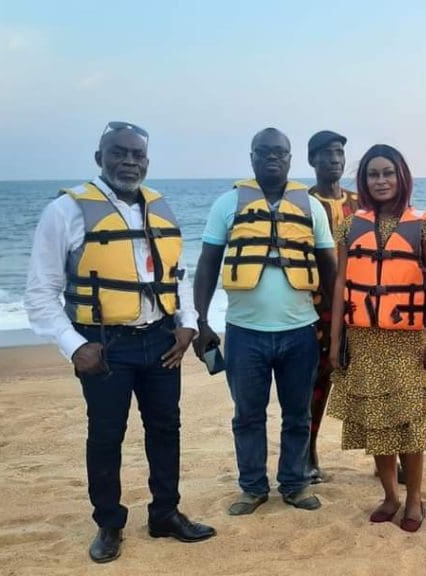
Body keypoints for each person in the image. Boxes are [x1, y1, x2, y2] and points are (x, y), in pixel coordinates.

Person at [25, 121, 216, 563]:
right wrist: (74, 345)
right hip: (104, 345)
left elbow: (177, 274)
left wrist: (187, 323)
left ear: (147, 161)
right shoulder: (65, 211)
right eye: (119, 152)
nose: (129, 161)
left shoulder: (159, 207)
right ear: (100, 157)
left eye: (137, 154)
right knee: (106, 434)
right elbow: (40, 291)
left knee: (166, 428)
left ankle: (165, 513)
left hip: (162, 339)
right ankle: (109, 523)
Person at [192, 128, 336, 516]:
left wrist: (339, 325)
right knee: (248, 416)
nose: (272, 157)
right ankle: (252, 487)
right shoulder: (227, 204)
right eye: (264, 151)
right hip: (244, 334)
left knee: (298, 415)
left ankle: (295, 484)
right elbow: (208, 263)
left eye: (280, 152)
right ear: (252, 157)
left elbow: (330, 270)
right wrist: (201, 320)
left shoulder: (311, 207)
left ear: (290, 159)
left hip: (300, 332)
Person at [327, 144, 426, 533]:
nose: (381, 181)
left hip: (407, 343)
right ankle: (391, 495)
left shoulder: (425, 226)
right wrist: (335, 341)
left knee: (409, 422)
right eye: (373, 174)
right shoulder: (349, 227)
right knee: (376, 421)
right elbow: (341, 284)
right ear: (364, 181)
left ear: (401, 177)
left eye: (388, 173)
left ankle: (414, 498)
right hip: (363, 339)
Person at [305, 130, 360, 483]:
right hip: (317, 307)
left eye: (339, 153)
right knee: (317, 381)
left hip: (361, 305)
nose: (334, 160)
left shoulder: (360, 202)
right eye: (326, 154)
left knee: (370, 381)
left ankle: (384, 456)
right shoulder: (303, 202)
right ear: (312, 160)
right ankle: (308, 452)